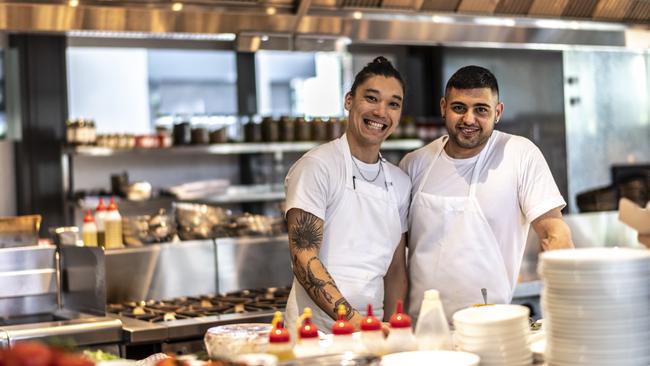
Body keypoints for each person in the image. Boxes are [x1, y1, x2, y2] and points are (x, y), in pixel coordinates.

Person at [400, 65, 574, 320]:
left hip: (492, 326)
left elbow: (554, 232)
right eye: (459, 108)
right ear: (443, 107)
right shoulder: (415, 163)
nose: (469, 119)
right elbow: (395, 255)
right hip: (422, 328)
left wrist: (569, 297)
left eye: (481, 109)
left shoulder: (519, 155)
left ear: (498, 112)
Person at [283, 57, 411, 332]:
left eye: (393, 104)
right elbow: (303, 256)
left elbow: (396, 270)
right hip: (314, 335)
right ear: (349, 100)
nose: (381, 111)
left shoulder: (400, 183)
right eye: (372, 98)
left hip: (372, 329)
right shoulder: (317, 166)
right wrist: (353, 320)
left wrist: (391, 328)